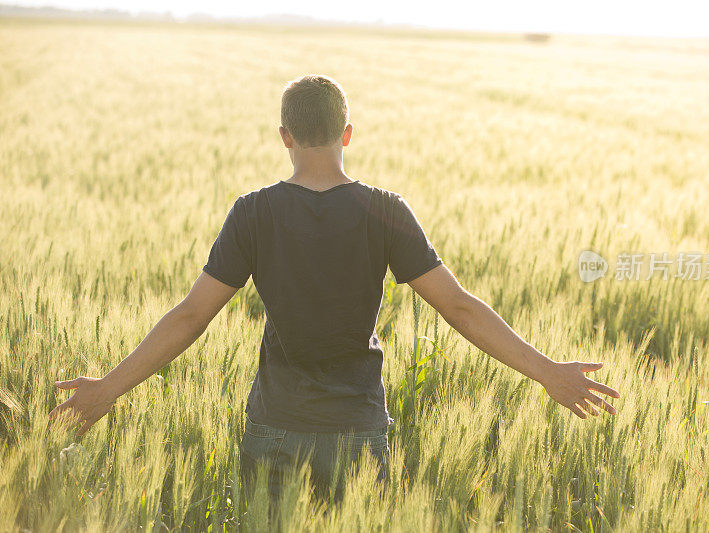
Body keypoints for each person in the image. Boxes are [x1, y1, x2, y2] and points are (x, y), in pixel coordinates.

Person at [48, 74, 621, 509]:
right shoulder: (384, 211)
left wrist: (108, 389)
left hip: (275, 426)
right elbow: (459, 306)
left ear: (285, 137)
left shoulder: (253, 214)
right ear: (347, 133)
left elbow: (192, 315)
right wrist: (549, 372)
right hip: (359, 432)